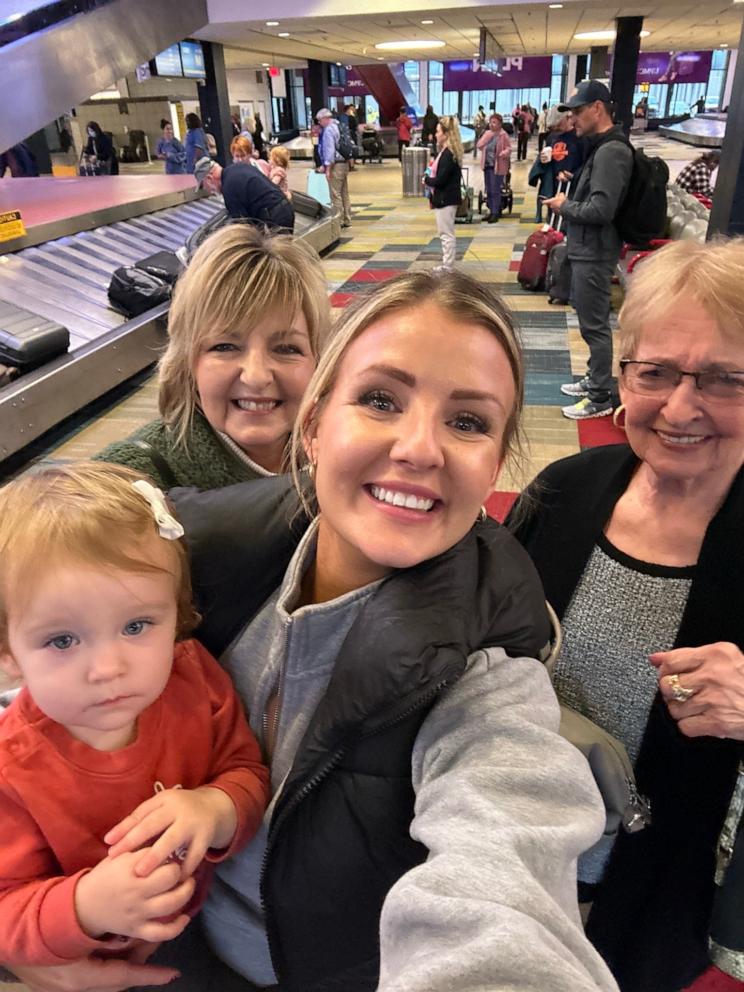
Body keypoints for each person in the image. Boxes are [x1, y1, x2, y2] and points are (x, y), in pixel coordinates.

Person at [509, 238, 744, 992]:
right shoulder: (563, 493)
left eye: (723, 379)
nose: (680, 407)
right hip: (518, 863)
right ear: (622, 373)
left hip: (664, 900)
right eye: (656, 373)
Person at [0, 462, 270, 971]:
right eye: (62, 640)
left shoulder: (193, 676)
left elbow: (247, 772)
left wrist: (215, 808)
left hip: (201, 934)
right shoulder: (11, 773)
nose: (108, 669)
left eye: (137, 625)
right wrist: (83, 906)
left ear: (177, 612)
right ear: (8, 653)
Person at [96, 224, 328, 488]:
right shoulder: (132, 481)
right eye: (225, 347)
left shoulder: (341, 452)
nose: (256, 376)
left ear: (319, 362)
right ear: (187, 362)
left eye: (286, 349)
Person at [543, 80, 633, 421]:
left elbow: (601, 210)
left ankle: (599, 396)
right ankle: (593, 380)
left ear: (598, 107)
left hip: (595, 252)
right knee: (588, 322)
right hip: (586, 250)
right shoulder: (603, 147)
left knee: (595, 327)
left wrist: (565, 206)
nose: (574, 119)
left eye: (578, 111)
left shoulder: (612, 151)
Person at [194, 157, 294, 233]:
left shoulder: (229, 188)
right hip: (286, 209)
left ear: (209, 178)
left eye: (203, 186)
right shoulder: (237, 168)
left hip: (274, 218)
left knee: (276, 257)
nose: (208, 190)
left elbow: (243, 227)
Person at [423, 116, 463, 273]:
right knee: (446, 232)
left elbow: (440, 180)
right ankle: (447, 263)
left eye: (438, 131)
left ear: (446, 134)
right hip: (447, 197)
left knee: (446, 234)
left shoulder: (447, 154)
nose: (436, 134)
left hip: (446, 198)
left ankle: (448, 265)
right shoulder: (447, 152)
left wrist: (427, 179)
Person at [316, 107, 352, 228]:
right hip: (345, 163)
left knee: (335, 194)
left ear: (325, 119)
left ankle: (339, 220)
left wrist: (327, 169)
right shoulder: (339, 126)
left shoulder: (329, 130)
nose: (319, 124)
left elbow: (329, 152)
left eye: (320, 121)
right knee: (344, 192)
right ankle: (347, 218)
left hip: (336, 165)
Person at [477, 113, 511, 224]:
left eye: (494, 122)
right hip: (487, 165)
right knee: (489, 189)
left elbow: (509, 148)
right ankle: (491, 210)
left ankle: (496, 212)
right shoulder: (487, 133)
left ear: (500, 124)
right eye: (490, 122)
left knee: (495, 189)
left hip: (498, 166)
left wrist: (504, 153)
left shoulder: (503, 135)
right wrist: (488, 136)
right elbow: (479, 145)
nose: (491, 124)